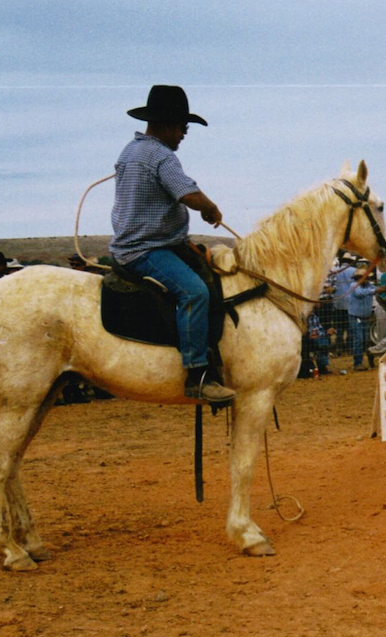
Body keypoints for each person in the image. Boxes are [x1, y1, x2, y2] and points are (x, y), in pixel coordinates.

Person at [109, 84, 234, 403]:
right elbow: (187, 194)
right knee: (194, 291)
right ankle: (198, 374)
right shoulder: (160, 155)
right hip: (145, 250)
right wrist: (210, 207)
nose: (184, 134)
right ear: (166, 123)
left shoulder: (130, 151)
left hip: (151, 243)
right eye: (182, 127)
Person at [347, 267, 378, 371]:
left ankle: (364, 359)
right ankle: (357, 362)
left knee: (365, 339)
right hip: (356, 316)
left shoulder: (369, 286)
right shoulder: (354, 285)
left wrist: (378, 289)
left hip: (365, 316)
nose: (365, 280)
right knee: (359, 339)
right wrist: (376, 290)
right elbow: (359, 293)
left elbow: (372, 290)